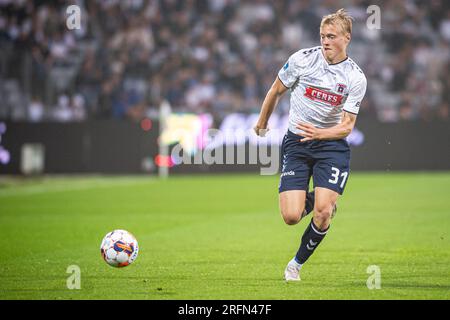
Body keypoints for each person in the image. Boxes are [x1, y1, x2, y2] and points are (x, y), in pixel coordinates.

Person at [254, 9, 367, 281]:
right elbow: (275, 90)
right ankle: (324, 200)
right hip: (297, 143)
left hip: (331, 147)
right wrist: (262, 121)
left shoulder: (355, 77)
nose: (325, 41)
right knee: (291, 216)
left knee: (323, 213)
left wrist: (320, 133)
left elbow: (347, 126)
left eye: (331, 36)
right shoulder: (302, 60)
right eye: (322, 36)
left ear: (346, 38)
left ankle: (295, 265)